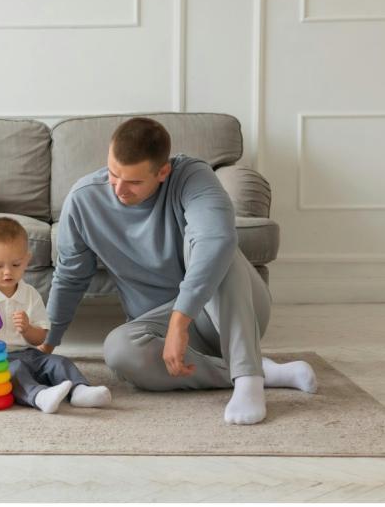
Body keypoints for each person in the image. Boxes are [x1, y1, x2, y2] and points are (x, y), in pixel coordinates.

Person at [40, 117, 317, 425]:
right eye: (113, 174)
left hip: (231, 311)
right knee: (119, 351)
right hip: (159, 328)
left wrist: (180, 320)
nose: (119, 189)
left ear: (162, 172)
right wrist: (48, 341)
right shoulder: (83, 200)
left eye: (134, 182)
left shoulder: (192, 176)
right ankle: (261, 372)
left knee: (213, 245)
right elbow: (70, 276)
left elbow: (217, 240)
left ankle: (249, 379)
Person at [0, 217, 111, 414]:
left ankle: (80, 390)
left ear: (26, 260)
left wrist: (27, 329)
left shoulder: (30, 294)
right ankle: (39, 395)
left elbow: (40, 339)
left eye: (16, 265)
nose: (7, 272)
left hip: (28, 353)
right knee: (15, 370)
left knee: (59, 362)